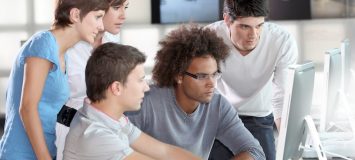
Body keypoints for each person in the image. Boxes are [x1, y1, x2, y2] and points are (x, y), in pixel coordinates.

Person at [126, 25, 265, 160]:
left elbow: (254, 151)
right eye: (202, 76)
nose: (212, 83)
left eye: (214, 74)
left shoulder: (218, 106)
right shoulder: (146, 101)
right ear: (179, 76)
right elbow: (116, 150)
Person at [0, 0, 108, 159]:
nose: (102, 26)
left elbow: (52, 109)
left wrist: (95, 119)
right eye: (98, 17)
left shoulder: (62, 54)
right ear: (75, 15)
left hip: (47, 151)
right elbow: (27, 108)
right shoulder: (44, 43)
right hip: (21, 155)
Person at [63, 43, 201, 160]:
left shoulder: (113, 119)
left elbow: (165, 151)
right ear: (116, 88)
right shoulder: (96, 136)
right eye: (141, 80)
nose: (147, 88)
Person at [205, 0, 298, 159]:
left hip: (259, 118)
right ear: (227, 20)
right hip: (220, 116)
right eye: (245, 26)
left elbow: (281, 98)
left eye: (259, 25)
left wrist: (289, 148)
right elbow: (202, 92)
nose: (253, 35)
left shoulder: (282, 41)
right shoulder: (209, 38)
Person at [55, 0, 129, 159]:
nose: (124, 15)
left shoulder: (113, 44)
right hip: (67, 135)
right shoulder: (66, 45)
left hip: (105, 134)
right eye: (116, 8)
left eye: (126, 7)